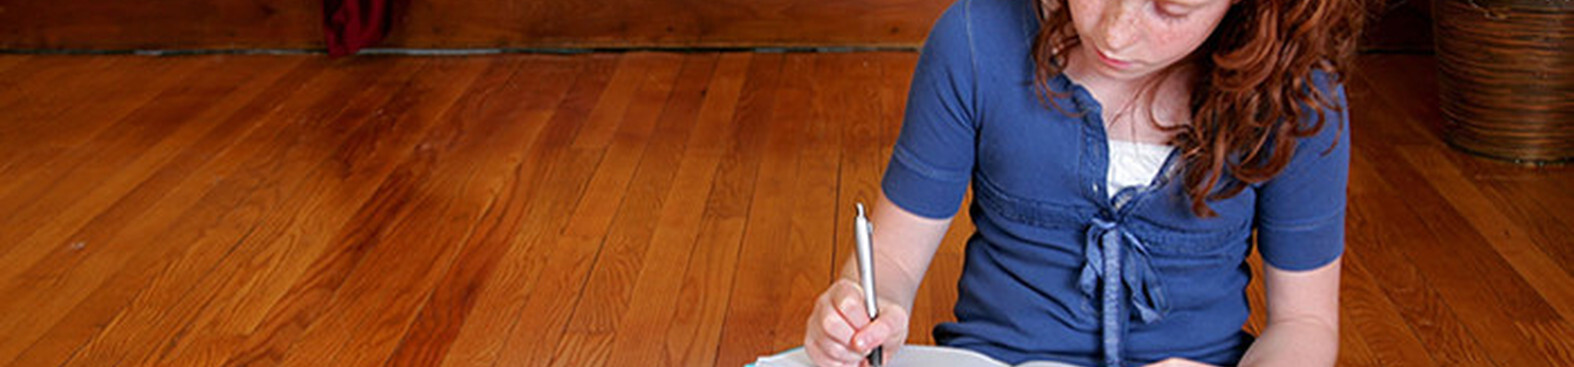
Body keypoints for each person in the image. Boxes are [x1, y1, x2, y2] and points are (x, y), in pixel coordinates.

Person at [803, 0, 1365, 366]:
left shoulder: (1296, 100)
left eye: (1172, 8)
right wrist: (861, 306)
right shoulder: (975, 40)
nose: (1115, 34)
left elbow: (1304, 323)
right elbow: (892, 263)